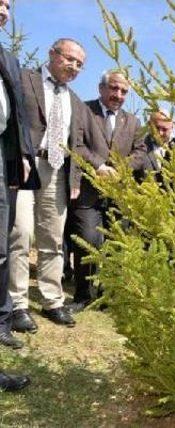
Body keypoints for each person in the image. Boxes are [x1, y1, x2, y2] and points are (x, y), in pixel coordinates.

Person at [9, 38, 88, 333]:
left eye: (80, 64)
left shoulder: (75, 101)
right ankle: (17, 303)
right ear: (52, 54)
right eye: (70, 60)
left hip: (58, 171)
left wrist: (75, 178)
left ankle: (53, 300)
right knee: (21, 233)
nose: (75, 67)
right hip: (26, 165)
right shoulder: (23, 79)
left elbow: (77, 144)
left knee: (53, 238)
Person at [68, 69, 146, 312]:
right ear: (101, 88)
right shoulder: (84, 110)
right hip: (89, 190)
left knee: (115, 244)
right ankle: (83, 295)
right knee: (88, 241)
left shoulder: (133, 121)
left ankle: (107, 294)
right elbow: (77, 145)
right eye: (113, 88)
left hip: (118, 193)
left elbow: (141, 152)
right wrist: (99, 166)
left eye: (123, 91)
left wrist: (121, 169)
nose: (118, 94)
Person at [0, 0, 39, 359]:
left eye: (8, 5)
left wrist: (23, 155)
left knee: (3, 242)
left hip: (2, 155)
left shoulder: (9, 60)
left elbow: (18, 116)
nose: (4, 10)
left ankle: (1, 321)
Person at [137, 111, 175, 185]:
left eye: (164, 129)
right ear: (150, 125)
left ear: (172, 127)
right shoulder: (138, 147)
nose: (160, 133)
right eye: (157, 128)